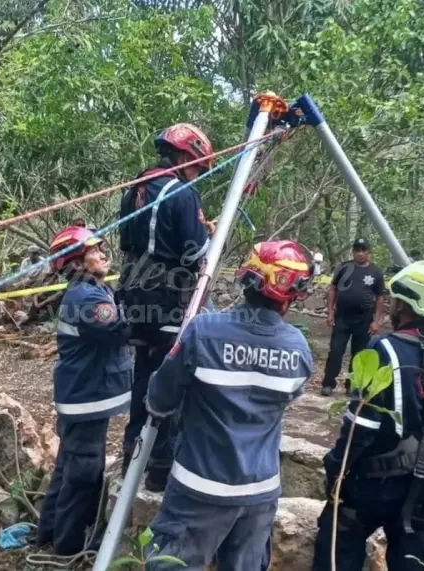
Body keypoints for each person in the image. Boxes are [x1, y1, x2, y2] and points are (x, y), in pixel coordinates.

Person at [143, 241, 314, 571]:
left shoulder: (204, 330)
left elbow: (160, 397)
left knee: (170, 563)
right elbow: (289, 396)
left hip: (199, 488)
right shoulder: (298, 348)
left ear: (246, 280)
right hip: (260, 493)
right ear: (292, 295)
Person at [312, 261, 424, 571]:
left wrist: (335, 470)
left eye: (396, 301)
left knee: (336, 548)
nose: (392, 307)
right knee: (410, 558)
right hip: (422, 485)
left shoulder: (383, 350)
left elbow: (360, 429)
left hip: (371, 483)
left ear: (406, 305)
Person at [118, 122, 216, 491]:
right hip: (167, 300)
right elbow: (195, 253)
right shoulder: (183, 193)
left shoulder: (135, 189)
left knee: (143, 372)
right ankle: (159, 467)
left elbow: (137, 241)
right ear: (185, 158)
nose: (197, 176)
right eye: (196, 168)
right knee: (169, 379)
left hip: (134, 295)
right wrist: (206, 232)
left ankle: (132, 452)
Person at [37, 225, 132, 555]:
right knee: (83, 475)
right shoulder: (87, 298)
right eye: (94, 251)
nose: (103, 254)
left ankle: (47, 533)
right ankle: (69, 548)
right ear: (75, 262)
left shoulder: (91, 290)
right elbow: (121, 329)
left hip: (81, 396)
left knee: (67, 468)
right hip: (86, 399)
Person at [321, 237, 385, 396]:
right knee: (335, 351)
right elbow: (333, 289)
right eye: (357, 250)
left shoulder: (375, 272)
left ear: (369, 252)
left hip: (364, 319)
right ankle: (328, 383)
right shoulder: (343, 268)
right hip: (341, 317)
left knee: (359, 354)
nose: (360, 253)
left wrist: (376, 321)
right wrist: (329, 312)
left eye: (364, 250)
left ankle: (353, 386)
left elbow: (379, 298)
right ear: (353, 252)